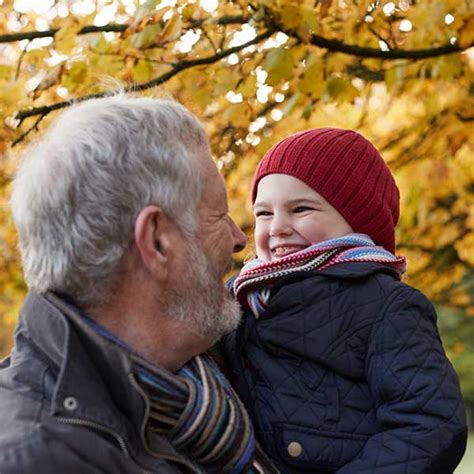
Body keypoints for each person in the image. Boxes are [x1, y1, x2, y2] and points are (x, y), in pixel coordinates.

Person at [0, 95, 279, 473]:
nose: (239, 239)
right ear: (157, 241)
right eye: (219, 215)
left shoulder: (206, 379)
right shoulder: (40, 460)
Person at [224, 128, 467, 473]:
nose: (277, 227)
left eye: (301, 208)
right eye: (263, 213)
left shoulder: (386, 304)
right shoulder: (241, 297)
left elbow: (429, 423)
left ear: (356, 219)